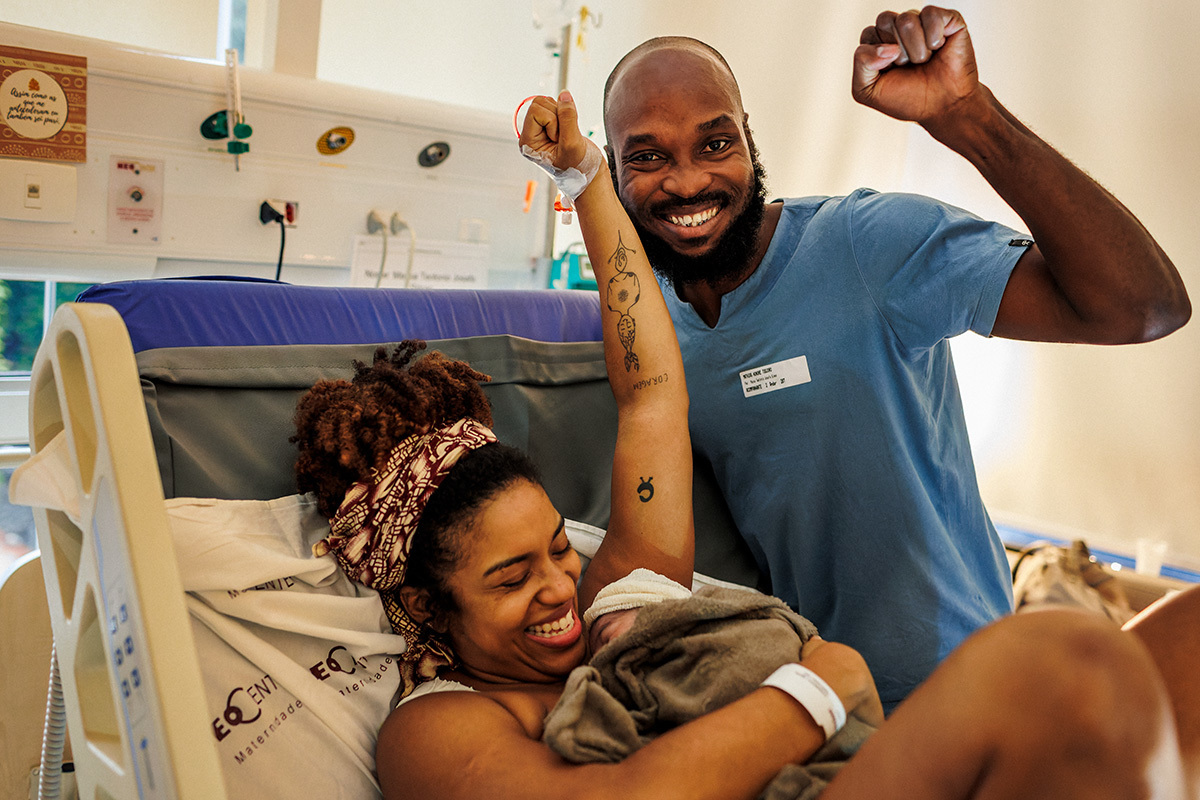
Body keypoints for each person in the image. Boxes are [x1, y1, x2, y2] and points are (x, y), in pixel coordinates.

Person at [288, 85, 1198, 799]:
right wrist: (821, 685)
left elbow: (651, 394)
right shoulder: (436, 727)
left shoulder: (617, 601)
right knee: (1061, 661)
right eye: (510, 577)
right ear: (425, 602)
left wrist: (585, 177)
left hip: (855, 764)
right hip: (823, 754)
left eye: (558, 549)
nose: (561, 586)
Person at [599, 6, 1192, 711]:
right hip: (811, 703)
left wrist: (969, 117)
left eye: (715, 142)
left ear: (749, 139)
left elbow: (1143, 307)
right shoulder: (644, 328)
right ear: (611, 169)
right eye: (648, 156)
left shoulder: (866, 245)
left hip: (964, 693)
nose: (688, 181)